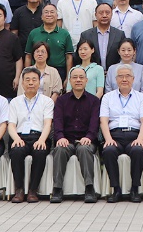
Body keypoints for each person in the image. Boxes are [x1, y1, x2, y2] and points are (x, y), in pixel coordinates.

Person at [99, 65, 143, 202]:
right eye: (121, 76)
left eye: (127, 76)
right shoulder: (107, 97)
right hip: (114, 135)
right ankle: (116, 189)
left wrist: (140, 139)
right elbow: (103, 121)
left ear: (133, 79)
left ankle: (134, 189)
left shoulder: (141, 97)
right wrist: (108, 139)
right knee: (108, 150)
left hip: (134, 135)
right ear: (116, 79)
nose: (124, 79)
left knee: (138, 150)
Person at [50, 66, 101, 203]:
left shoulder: (94, 101)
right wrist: (60, 137)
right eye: (75, 77)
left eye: (81, 77)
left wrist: (89, 137)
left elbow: (94, 124)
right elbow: (58, 122)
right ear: (70, 81)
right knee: (59, 149)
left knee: (84, 149)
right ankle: (57, 189)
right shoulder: (61, 100)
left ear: (86, 80)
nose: (78, 80)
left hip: (86, 140)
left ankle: (89, 188)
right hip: (67, 140)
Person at [7, 67, 55, 202]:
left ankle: (33, 190)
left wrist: (41, 140)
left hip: (39, 136)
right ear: (22, 83)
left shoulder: (47, 101)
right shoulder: (15, 102)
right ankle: (19, 190)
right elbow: (11, 125)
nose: (31, 83)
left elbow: (47, 124)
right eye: (27, 80)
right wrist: (16, 139)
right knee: (16, 151)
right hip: (19, 136)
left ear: (39, 83)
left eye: (34, 80)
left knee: (40, 151)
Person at [25, 2, 74, 76]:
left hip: (59, 71)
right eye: (46, 12)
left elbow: (69, 57)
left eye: (52, 12)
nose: (49, 14)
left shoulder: (64, 34)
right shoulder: (34, 33)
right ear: (42, 16)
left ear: (57, 16)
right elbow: (28, 56)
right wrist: (27, 74)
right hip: (37, 70)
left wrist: (68, 76)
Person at [78, 1, 126, 69]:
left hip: (114, 72)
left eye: (107, 12)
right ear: (95, 15)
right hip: (92, 72)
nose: (104, 15)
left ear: (112, 14)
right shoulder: (86, 35)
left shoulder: (120, 34)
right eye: (101, 13)